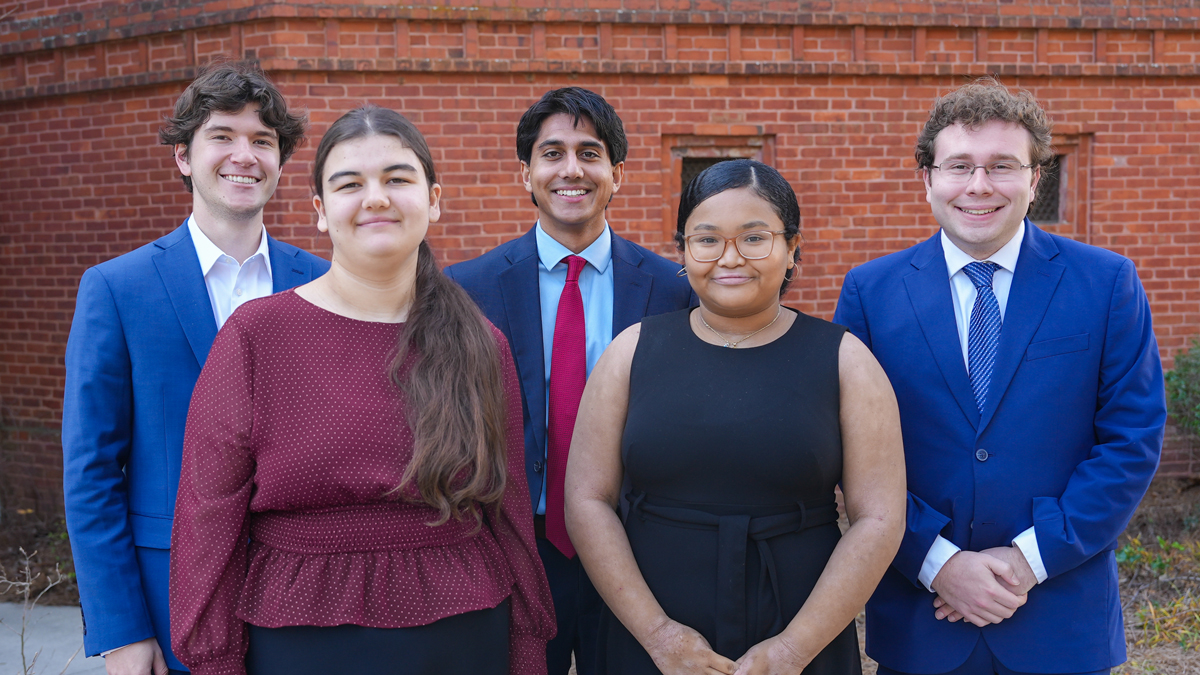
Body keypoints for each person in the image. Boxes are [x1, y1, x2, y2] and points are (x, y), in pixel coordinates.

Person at [168, 105, 555, 675]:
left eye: (398, 179)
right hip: (301, 637)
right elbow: (207, 518)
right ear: (322, 212)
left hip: (464, 633)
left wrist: (526, 653)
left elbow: (510, 510)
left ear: (434, 199)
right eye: (351, 184)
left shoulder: (480, 342)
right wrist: (215, 661)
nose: (376, 198)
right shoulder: (256, 336)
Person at [834, 78, 1165, 675]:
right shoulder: (871, 293)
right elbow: (851, 453)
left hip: (1059, 621)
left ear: (1036, 179)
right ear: (928, 178)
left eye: (1002, 166)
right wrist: (938, 564)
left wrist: (1026, 561)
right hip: (923, 619)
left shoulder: (1107, 283)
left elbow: (1132, 440)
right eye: (959, 165)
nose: (979, 186)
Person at [566, 159, 906, 675]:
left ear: (792, 248)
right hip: (651, 629)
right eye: (707, 240)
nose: (729, 258)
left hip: (798, 628)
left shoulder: (846, 360)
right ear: (683, 250)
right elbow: (588, 499)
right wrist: (659, 637)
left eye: (754, 238)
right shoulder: (632, 351)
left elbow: (879, 518)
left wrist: (793, 650)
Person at [62, 61, 328, 675]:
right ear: (184, 156)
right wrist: (121, 630)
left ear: (281, 161)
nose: (244, 155)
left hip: (305, 601)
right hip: (167, 602)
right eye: (222, 136)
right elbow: (91, 472)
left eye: (263, 141)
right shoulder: (116, 289)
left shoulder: (320, 282)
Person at [444, 86, 694, 675]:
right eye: (551, 153)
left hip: (640, 545)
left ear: (618, 173)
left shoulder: (673, 289)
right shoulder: (468, 288)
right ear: (525, 173)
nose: (571, 169)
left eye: (590, 152)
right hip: (518, 544)